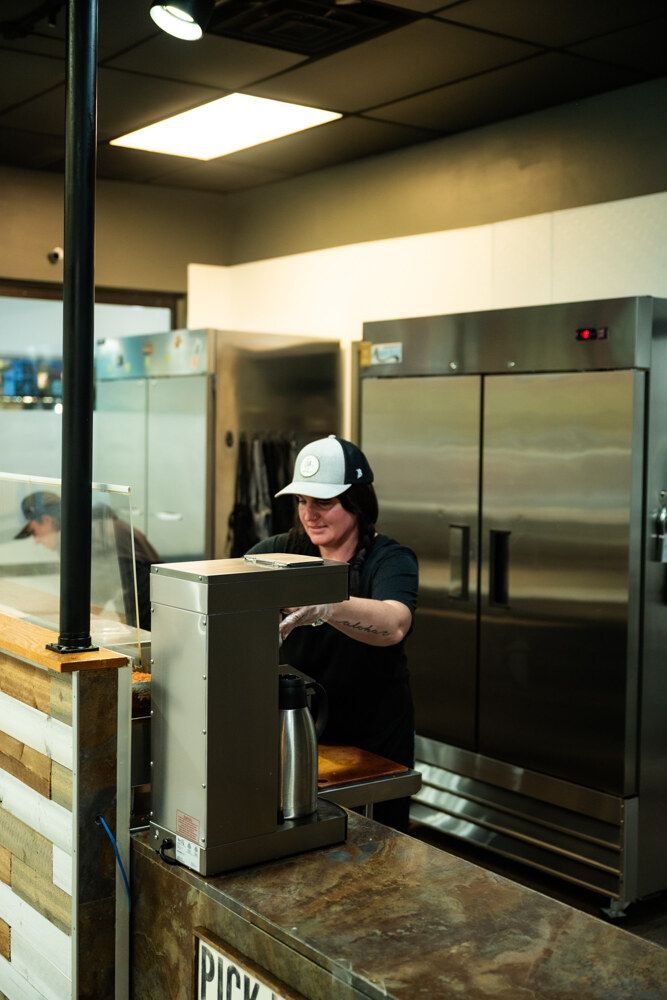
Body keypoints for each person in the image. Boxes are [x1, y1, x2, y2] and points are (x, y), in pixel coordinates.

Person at [246, 435, 419, 832]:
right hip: (297, 735)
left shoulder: (388, 560)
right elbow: (226, 593)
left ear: (357, 503)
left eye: (324, 502)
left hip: (373, 741)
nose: (310, 515)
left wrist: (326, 604)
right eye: (303, 502)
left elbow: (394, 624)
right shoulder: (281, 551)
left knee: (377, 852)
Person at [15, 491, 160, 632]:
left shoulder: (83, 536)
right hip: (150, 609)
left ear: (47, 520)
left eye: (34, 531)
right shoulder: (91, 526)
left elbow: (94, 597)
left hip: (152, 618)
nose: (36, 541)